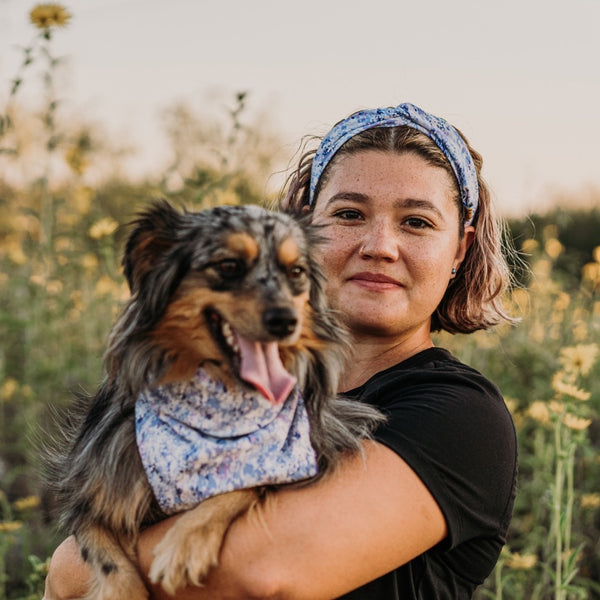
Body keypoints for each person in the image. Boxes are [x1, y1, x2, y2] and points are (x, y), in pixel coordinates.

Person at [44, 102, 518, 600]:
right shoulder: (196, 397)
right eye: (349, 214)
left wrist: (82, 567)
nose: (380, 245)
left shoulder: (459, 416)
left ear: (459, 251)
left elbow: (260, 575)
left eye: (417, 222)